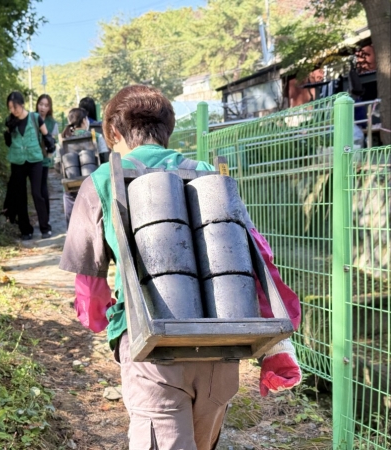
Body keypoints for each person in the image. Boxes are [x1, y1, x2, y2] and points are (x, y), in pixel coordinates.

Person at [59, 85, 302, 450]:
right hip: (222, 345)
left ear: (113, 133)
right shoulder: (208, 175)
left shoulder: (102, 181)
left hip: (153, 352)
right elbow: (255, 255)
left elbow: (90, 297)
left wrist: (105, 319)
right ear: (167, 129)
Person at [3, 91, 55, 240]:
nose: (13, 110)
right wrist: (7, 136)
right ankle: (26, 230)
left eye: (15, 107)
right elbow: (8, 142)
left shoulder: (35, 118)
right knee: (20, 196)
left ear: (22, 104)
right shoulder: (9, 120)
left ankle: (45, 227)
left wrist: (50, 146)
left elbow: (47, 136)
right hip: (17, 161)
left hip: (35, 160)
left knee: (37, 193)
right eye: (10, 108)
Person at [61, 107, 108, 228]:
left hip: (71, 189)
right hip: (94, 185)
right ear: (84, 121)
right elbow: (105, 159)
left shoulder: (63, 139)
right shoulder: (97, 137)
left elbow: (58, 165)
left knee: (72, 225)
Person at [36, 94, 60, 221]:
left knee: (43, 187)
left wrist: (50, 154)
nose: (43, 108)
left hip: (44, 159)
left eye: (46, 105)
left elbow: (54, 142)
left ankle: (45, 217)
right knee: (36, 190)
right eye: (41, 104)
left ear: (49, 107)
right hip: (32, 158)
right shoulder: (32, 118)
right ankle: (41, 217)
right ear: (37, 104)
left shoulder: (52, 123)